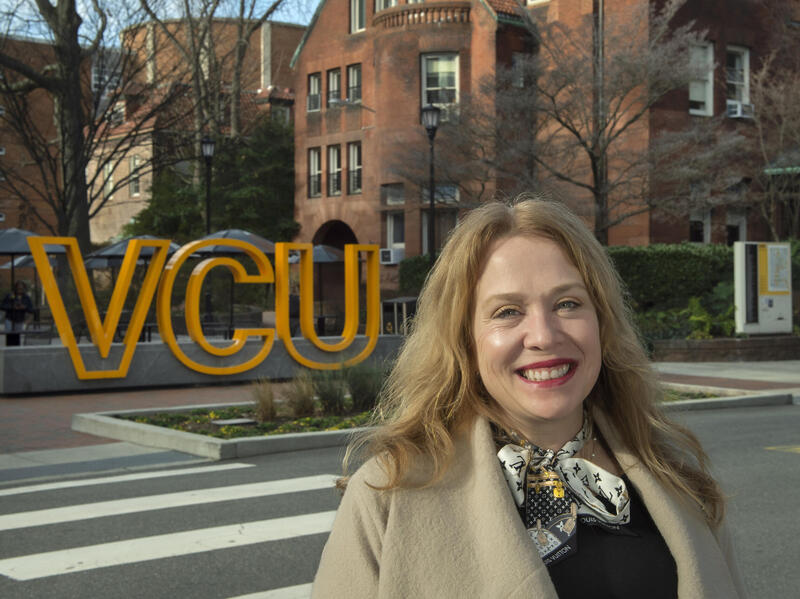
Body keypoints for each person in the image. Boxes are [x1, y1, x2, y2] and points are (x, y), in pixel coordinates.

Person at [312, 197, 745, 598]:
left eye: (568, 304)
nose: (543, 335)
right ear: (465, 339)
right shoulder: (387, 496)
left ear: (602, 323)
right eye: (507, 312)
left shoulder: (678, 481)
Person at [2, 280, 34, 346]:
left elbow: (31, 309)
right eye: (18, 288)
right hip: (10, 319)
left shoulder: (26, 298)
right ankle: (9, 348)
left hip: (19, 320)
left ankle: (16, 348)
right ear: (15, 288)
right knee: (9, 335)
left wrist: (24, 307)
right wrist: (12, 307)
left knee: (17, 336)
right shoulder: (10, 296)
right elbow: (3, 306)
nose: (20, 290)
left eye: (21, 288)